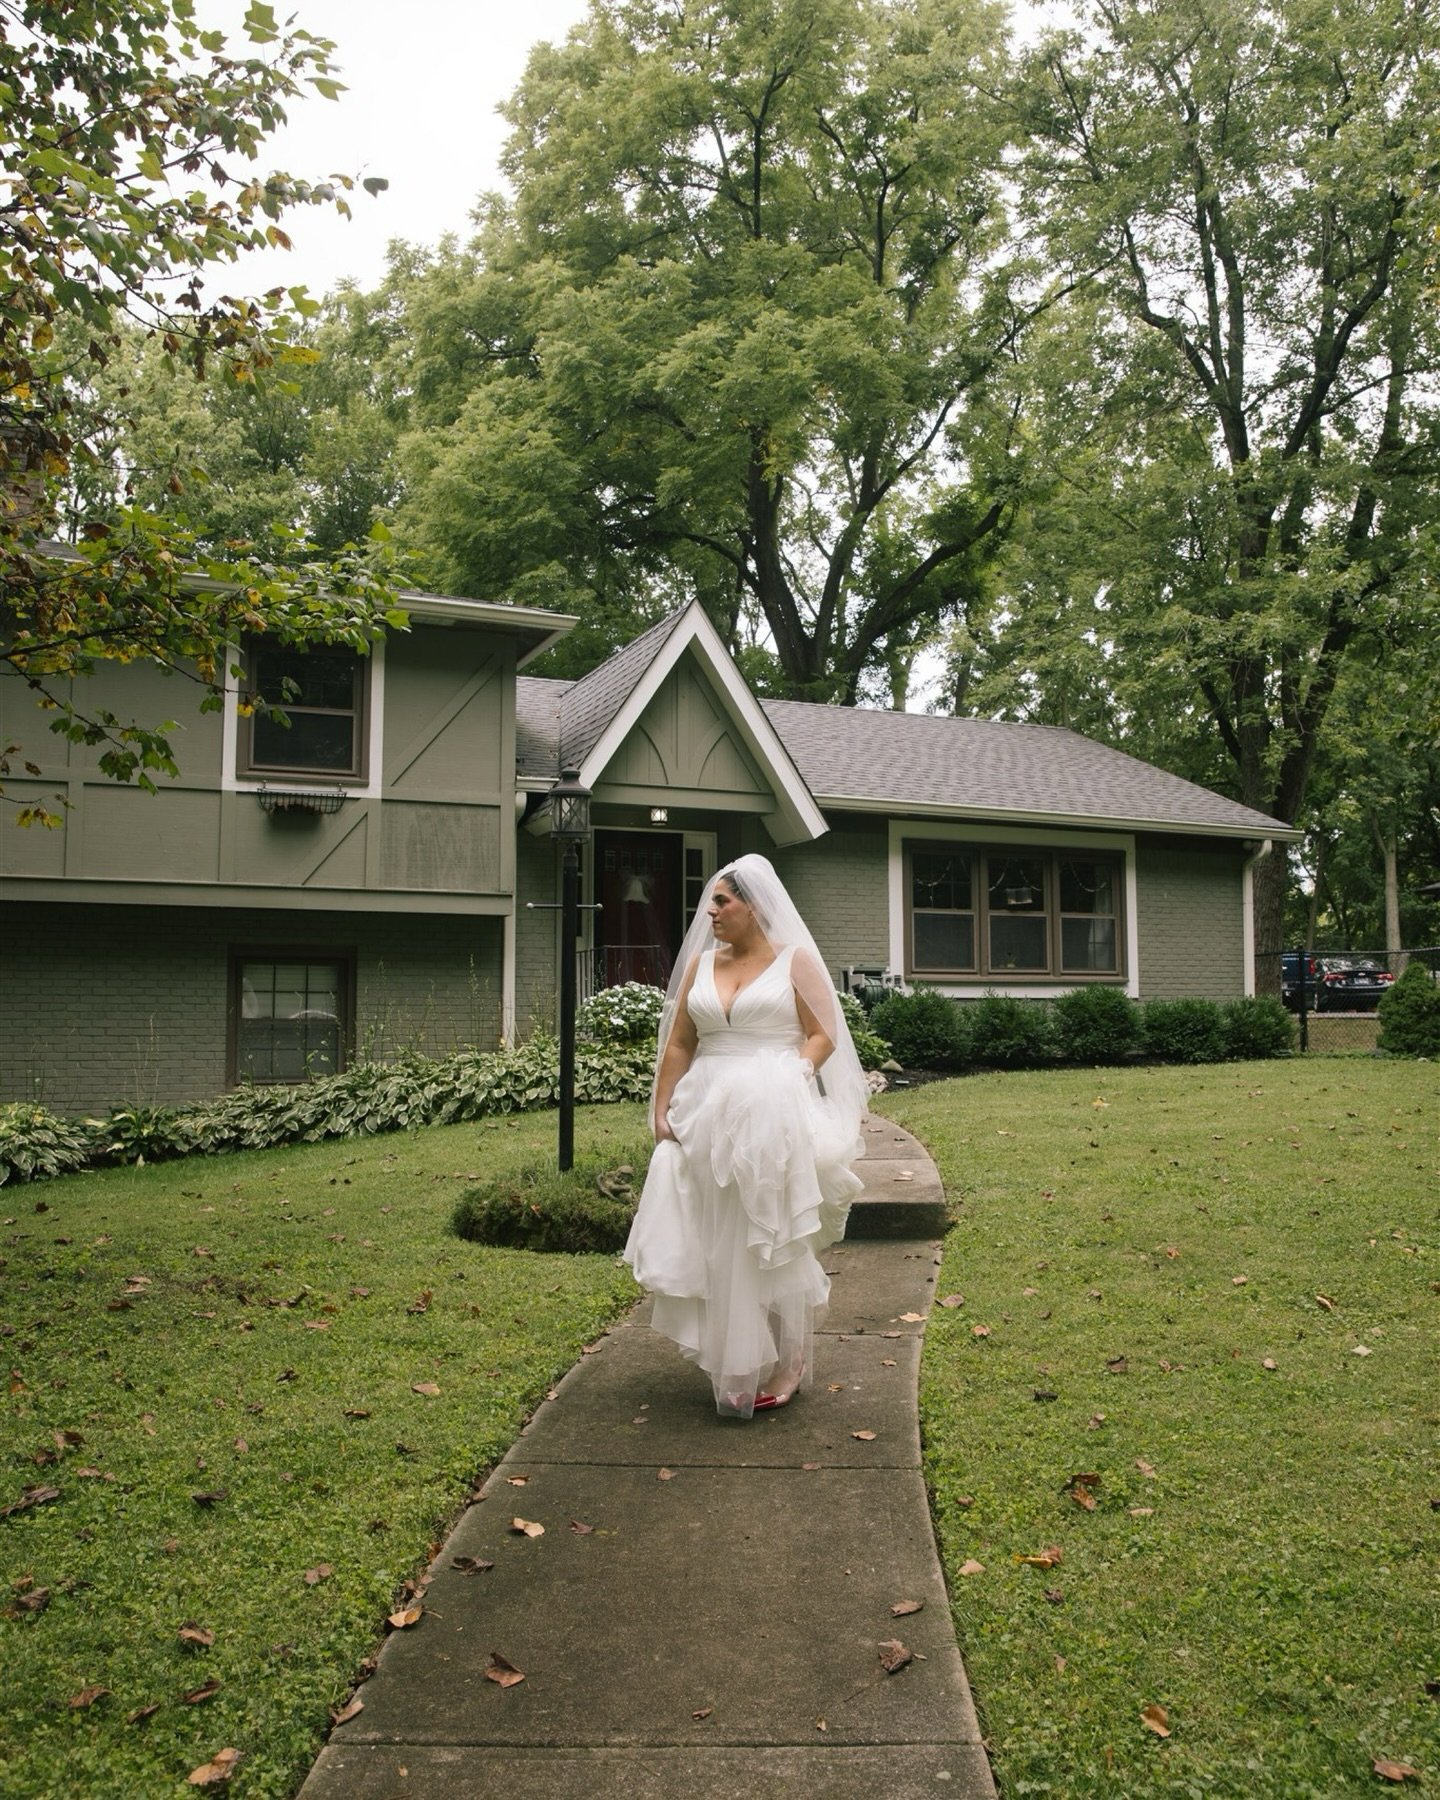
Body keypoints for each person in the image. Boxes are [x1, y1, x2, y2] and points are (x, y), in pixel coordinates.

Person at [623, 854, 867, 1418]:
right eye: (710, 901)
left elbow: (822, 1033)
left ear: (754, 907)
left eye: (722, 901)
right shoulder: (701, 966)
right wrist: (661, 1109)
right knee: (715, 1236)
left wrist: (792, 1078)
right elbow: (681, 1042)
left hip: (771, 1114)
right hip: (704, 1112)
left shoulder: (793, 961)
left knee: (769, 1234)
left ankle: (789, 1360)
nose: (709, 911)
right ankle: (731, 1355)